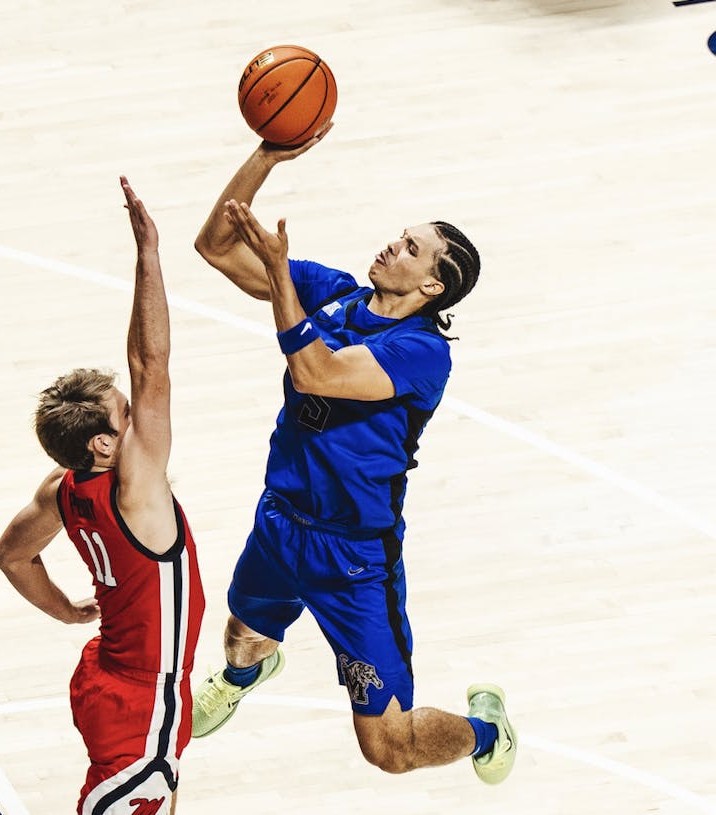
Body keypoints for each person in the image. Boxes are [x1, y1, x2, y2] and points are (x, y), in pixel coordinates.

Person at [189, 127, 517, 785]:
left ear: (431, 286)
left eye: (410, 248)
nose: (392, 245)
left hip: (354, 556)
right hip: (280, 521)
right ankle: (245, 673)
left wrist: (281, 274)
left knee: (389, 748)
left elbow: (318, 372)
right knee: (243, 634)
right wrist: (267, 156)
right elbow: (214, 246)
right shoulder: (334, 292)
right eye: (400, 235)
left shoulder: (424, 353)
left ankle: (487, 731)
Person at [0, 177, 205, 815]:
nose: (139, 418)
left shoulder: (62, 489)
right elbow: (151, 364)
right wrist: (149, 255)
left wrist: (63, 612)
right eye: (125, 417)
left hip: (102, 673)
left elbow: (11, 556)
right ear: (104, 448)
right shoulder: (136, 487)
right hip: (145, 696)